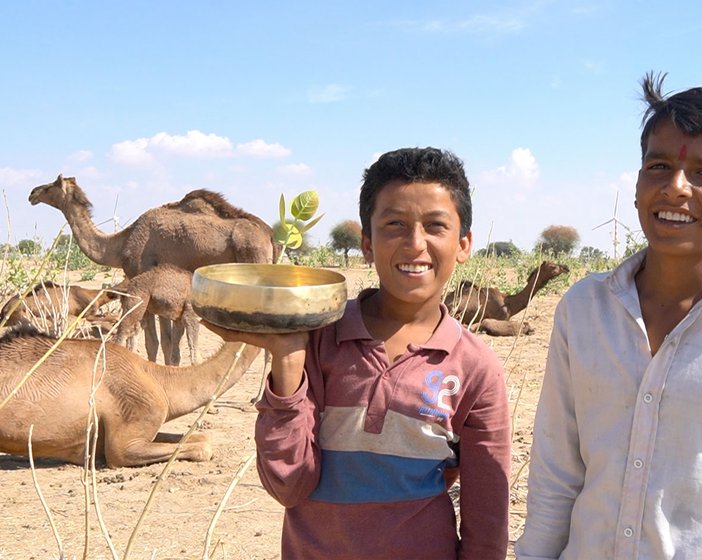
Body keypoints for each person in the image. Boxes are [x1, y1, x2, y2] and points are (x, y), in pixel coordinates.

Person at [515, 73, 702, 559]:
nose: (675, 187)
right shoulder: (584, 309)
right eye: (658, 166)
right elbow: (556, 469)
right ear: (638, 183)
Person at [204, 147, 511, 559]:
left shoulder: (476, 368)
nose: (414, 243)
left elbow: (486, 519)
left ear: (463, 243)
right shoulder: (320, 339)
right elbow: (287, 484)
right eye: (394, 224)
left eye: (435, 226)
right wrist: (289, 360)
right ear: (367, 243)